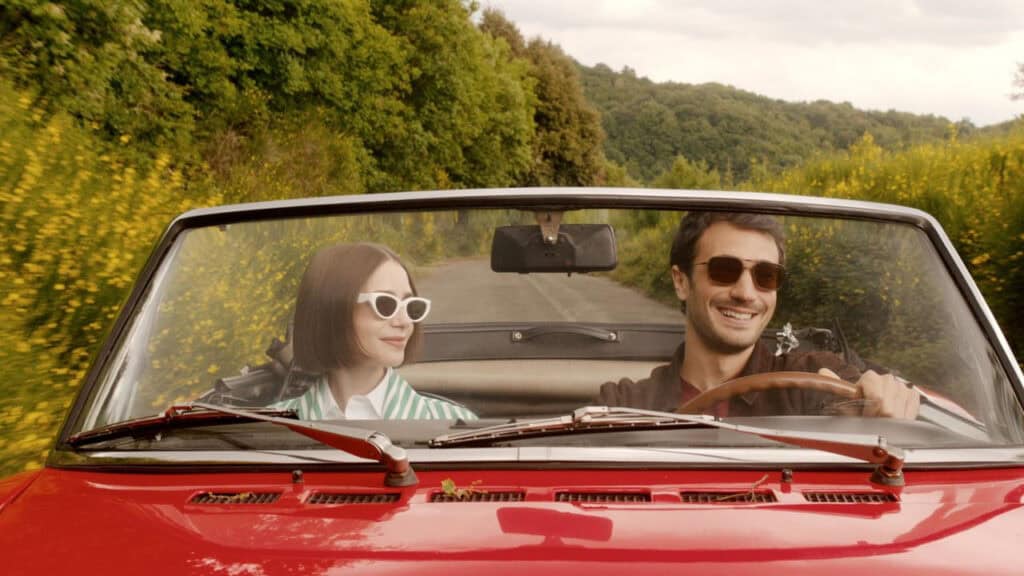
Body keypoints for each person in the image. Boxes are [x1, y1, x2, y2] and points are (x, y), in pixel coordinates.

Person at [599, 212, 920, 419]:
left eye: (766, 276)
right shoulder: (626, 403)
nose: (746, 293)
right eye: (724, 270)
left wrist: (884, 403)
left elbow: (872, 397)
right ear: (681, 281)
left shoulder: (816, 380)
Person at [273, 242, 477, 421]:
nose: (405, 321)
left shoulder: (456, 425)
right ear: (333, 310)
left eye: (411, 306)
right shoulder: (265, 427)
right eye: (385, 304)